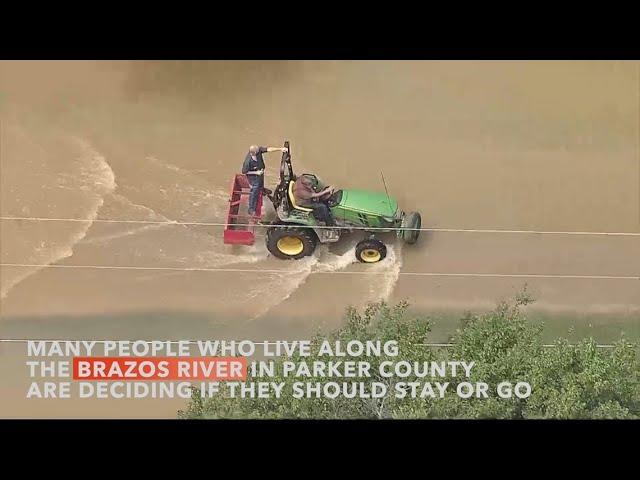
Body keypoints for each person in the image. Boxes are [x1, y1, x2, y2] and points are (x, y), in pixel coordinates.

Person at [242, 145, 288, 216]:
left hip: (260, 173)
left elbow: (268, 149)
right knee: (254, 191)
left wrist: (280, 149)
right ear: (253, 153)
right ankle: (251, 209)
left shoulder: (258, 150)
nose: (259, 152)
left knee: (261, 183)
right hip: (253, 177)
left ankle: (262, 190)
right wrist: (256, 172)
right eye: (257, 152)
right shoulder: (248, 162)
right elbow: (244, 172)